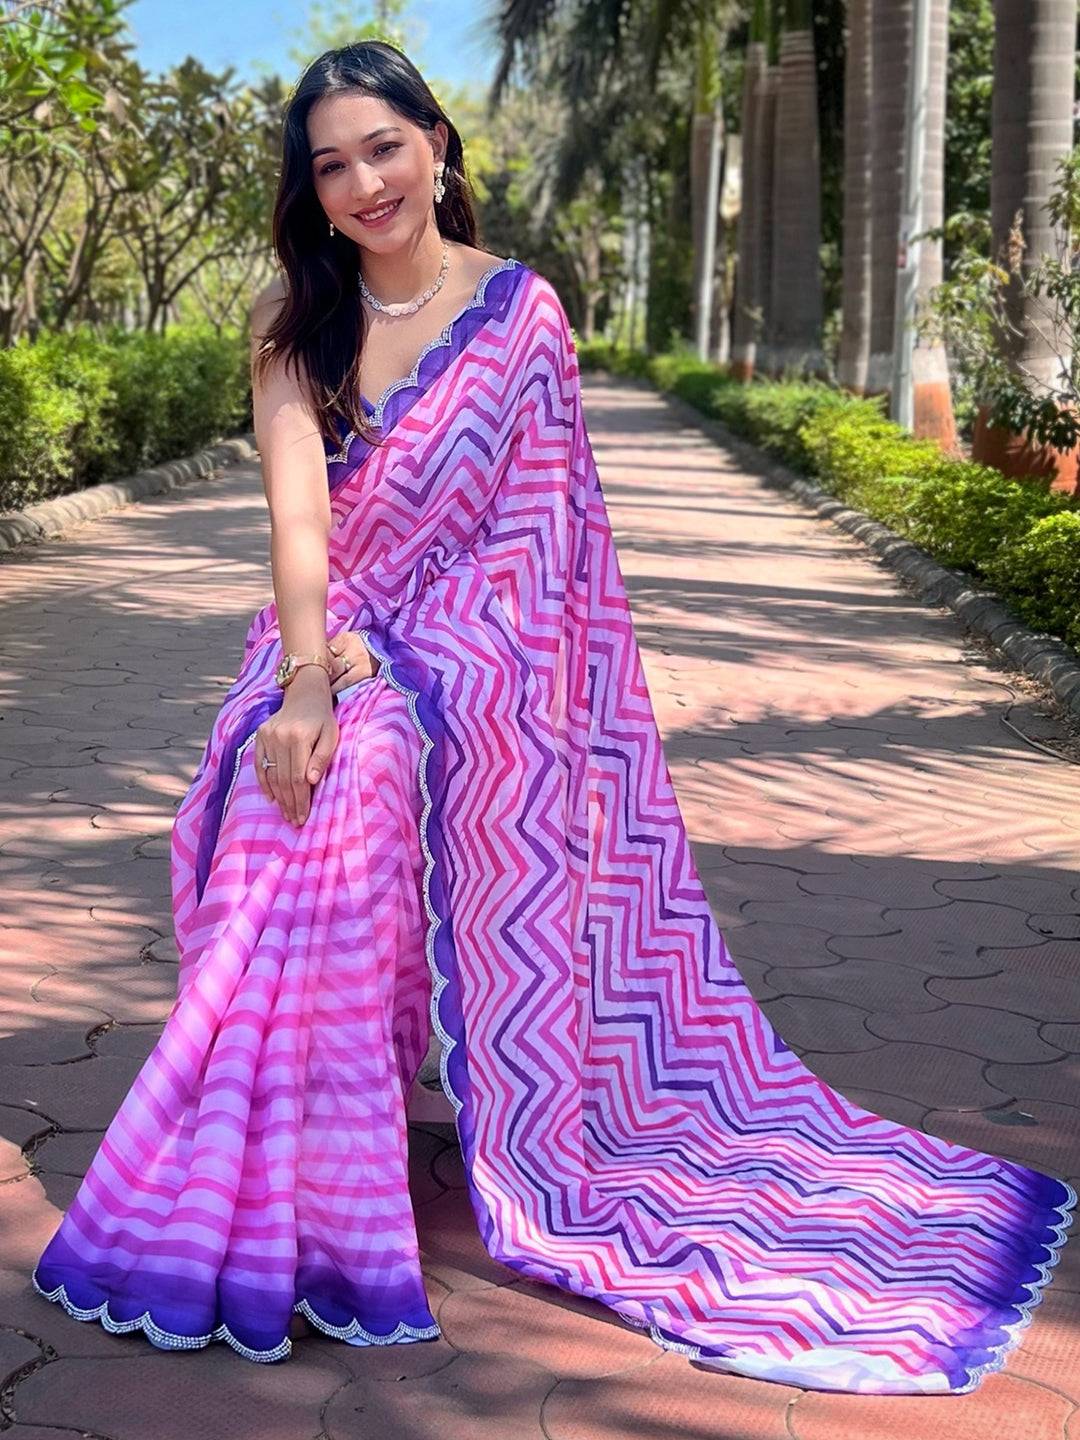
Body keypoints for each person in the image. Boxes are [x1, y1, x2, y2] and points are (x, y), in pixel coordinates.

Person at [31, 40, 1076, 1395]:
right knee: (310, 771)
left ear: (437, 147)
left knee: (368, 765)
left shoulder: (521, 312)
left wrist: (404, 667)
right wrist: (307, 676)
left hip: (475, 655)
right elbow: (301, 522)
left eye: (383, 148)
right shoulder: (295, 322)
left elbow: (537, 553)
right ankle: (275, 1165)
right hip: (318, 641)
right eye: (332, 165)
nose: (364, 183)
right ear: (312, 190)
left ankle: (326, 1171)